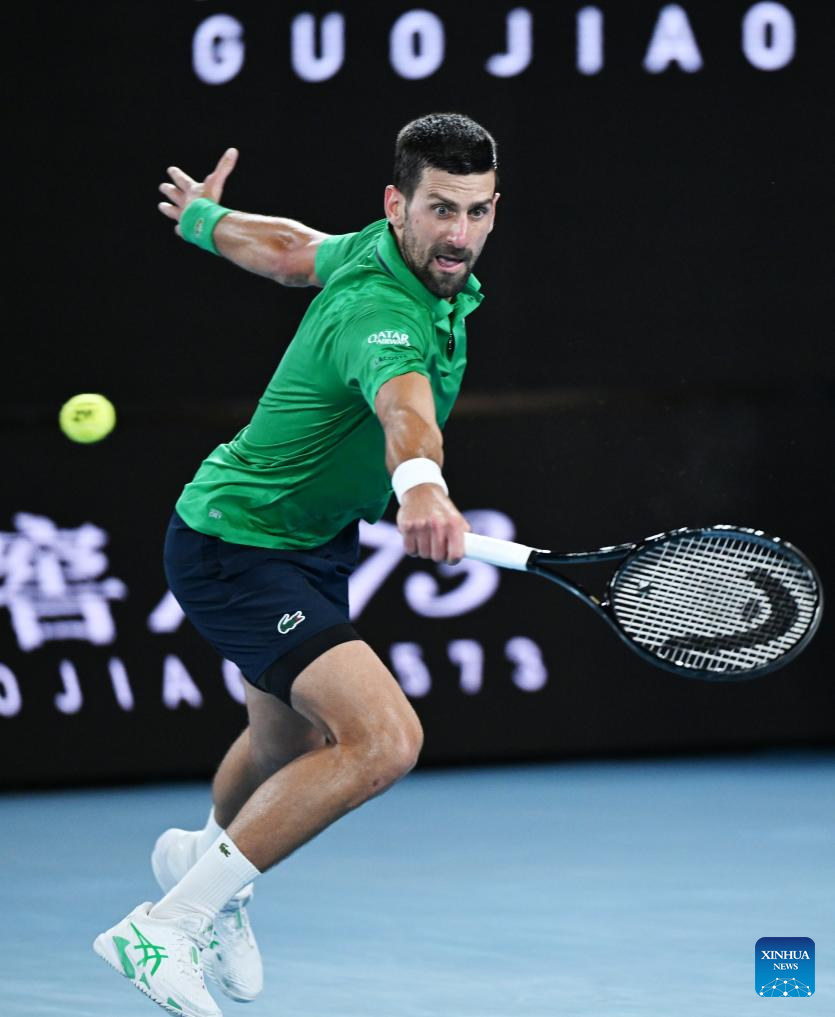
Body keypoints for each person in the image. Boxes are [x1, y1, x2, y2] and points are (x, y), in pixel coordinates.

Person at [93, 112, 499, 1017]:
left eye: (476, 211)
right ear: (397, 204)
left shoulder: (374, 253)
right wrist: (422, 487)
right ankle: (167, 924)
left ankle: (202, 858)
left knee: (290, 744)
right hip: (236, 545)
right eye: (440, 209)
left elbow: (287, 251)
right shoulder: (381, 310)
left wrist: (204, 220)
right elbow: (404, 410)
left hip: (309, 541)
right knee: (383, 740)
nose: (459, 233)